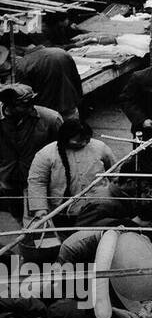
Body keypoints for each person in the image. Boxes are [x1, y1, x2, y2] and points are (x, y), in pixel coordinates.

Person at [25, 119, 115, 227]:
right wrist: (40, 209)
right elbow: (37, 182)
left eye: (87, 139)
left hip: (98, 208)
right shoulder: (46, 154)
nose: (84, 143)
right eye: (79, 140)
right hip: (62, 211)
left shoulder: (100, 147)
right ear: (65, 138)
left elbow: (116, 173)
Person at [0, 84, 62, 222]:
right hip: (7, 178)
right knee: (16, 211)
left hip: (38, 179)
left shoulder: (50, 119)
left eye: (31, 103)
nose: (31, 108)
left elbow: (63, 150)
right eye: (25, 105)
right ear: (9, 105)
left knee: (40, 215)